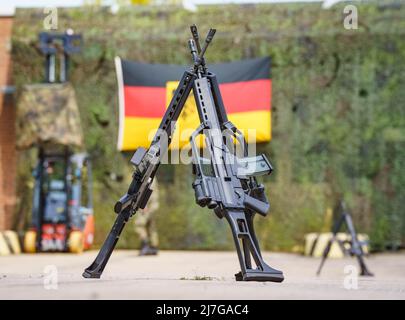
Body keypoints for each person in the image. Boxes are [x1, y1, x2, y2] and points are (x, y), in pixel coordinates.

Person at [134, 179, 159, 256]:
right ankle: (154, 247)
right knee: (151, 226)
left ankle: (145, 246)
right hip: (154, 205)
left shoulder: (148, 174)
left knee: (139, 225)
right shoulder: (153, 175)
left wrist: (144, 205)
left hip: (148, 205)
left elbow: (148, 189)